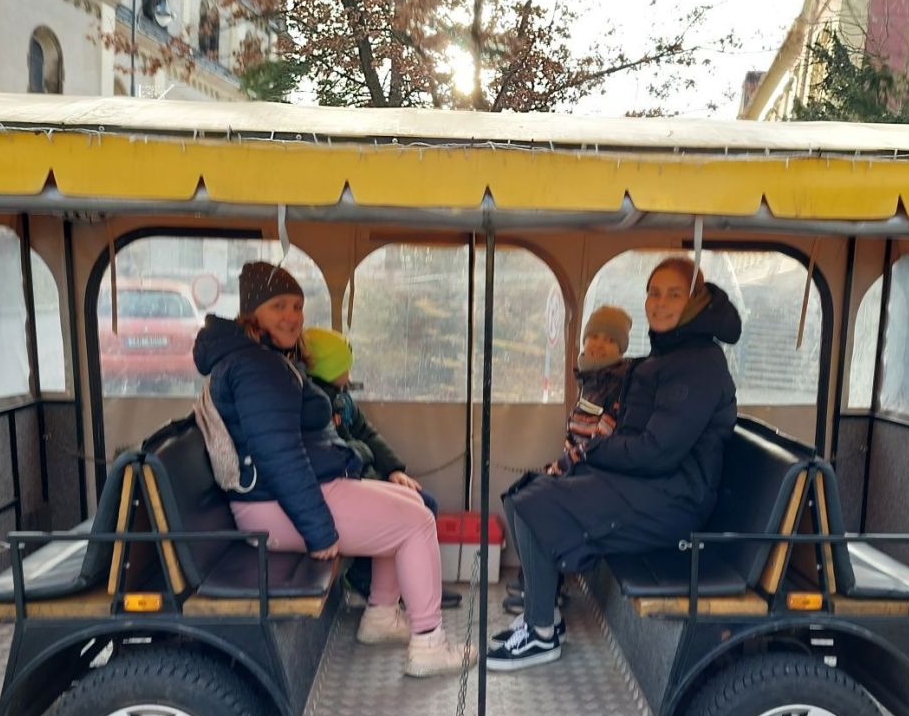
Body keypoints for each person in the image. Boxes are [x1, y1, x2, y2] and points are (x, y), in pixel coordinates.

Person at [192, 261, 473, 678]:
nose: (292, 316)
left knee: (411, 504)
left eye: (297, 306)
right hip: (274, 507)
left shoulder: (264, 359)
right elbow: (278, 454)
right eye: (278, 306)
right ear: (252, 313)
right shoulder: (256, 367)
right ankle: (429, 644)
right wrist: (317, 529)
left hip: (286, 496)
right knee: (417, 523)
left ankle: (381, 616)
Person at [488, 257, 741, 671]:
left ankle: (540, 635)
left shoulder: (698, 365)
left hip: (674, 501)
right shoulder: (669, 355)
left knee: (535, 506)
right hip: (651, 486)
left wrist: (590, 453)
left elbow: (658, 451)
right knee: (526, 492)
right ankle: (543, 613)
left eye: (674, 294)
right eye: (653, 293)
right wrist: (582, 460)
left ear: (695, 302)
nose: (660, 303)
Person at [303, 326, 461, 608]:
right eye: (344, 367)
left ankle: (417, 585)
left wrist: (393, 470)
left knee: (424, 502)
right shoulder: (316, 403)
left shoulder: (342, 399)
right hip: (344, 484)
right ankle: (365, 580)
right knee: (420, 508)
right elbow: (344, 452)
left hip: (363, 475)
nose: (349, 373)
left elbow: (367, 433)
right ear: (330, 368)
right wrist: (367, 458)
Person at [500, 304, 635, 618]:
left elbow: (600, 440)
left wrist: (561, 467)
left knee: (531, 504)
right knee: (514, 497)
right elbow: (575, 435)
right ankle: (539, 584)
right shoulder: (592, 379)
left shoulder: (619, 384)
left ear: (621, 349)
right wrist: (560, 463)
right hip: (580, 467)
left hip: (597, 475)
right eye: (594, 336)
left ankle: (545, 596)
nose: (599, 344)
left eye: (610, 340)